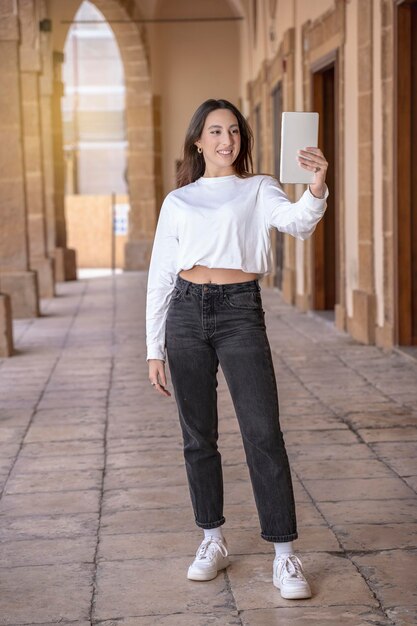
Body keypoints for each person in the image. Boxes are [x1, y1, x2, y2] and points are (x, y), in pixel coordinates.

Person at [146, 98, 328, 600]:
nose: (227, 140)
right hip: (184, 311)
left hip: (239, 311)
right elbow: (161, 276)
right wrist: (152, 349)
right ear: (198, 141)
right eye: (215, 131)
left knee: (262, 431)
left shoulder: (259, 187)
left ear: (241, 140)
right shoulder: (178, 201)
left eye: (234, 132)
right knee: (197, 435)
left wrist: (315, 187)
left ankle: (285, 555)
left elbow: (297, 222)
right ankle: (212, 540)